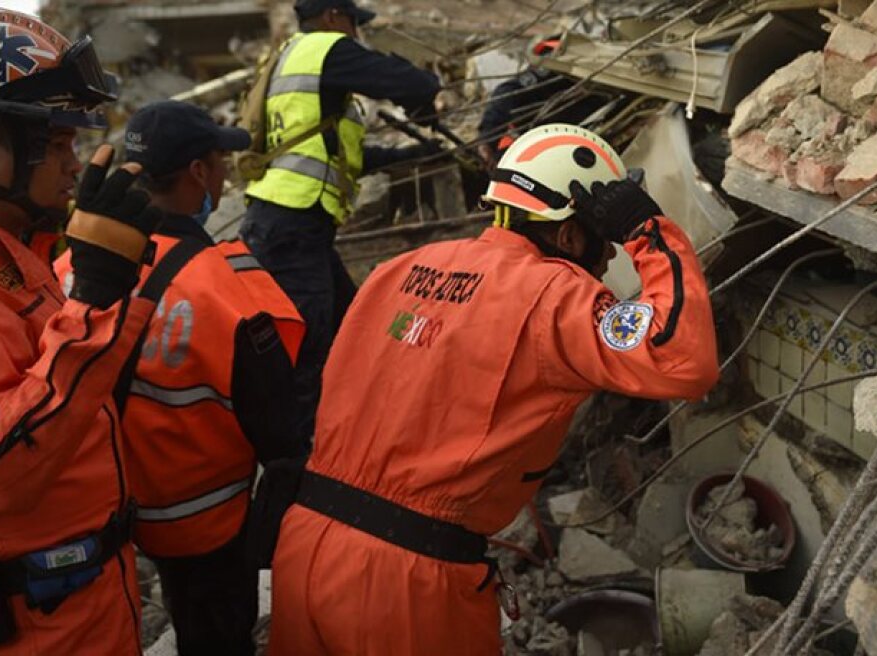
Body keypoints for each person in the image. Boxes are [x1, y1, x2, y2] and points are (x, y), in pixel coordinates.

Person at [268, 123, 721, 654]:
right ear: (571, 236)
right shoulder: (552, 294)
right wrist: (648, 230)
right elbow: (682, 361)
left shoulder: (399, 270)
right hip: (405, 583)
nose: (608, 262)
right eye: (605, 244)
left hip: (302, 546)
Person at [0, 10, 161, 654]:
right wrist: (92, 303)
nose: (73, 163)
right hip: (36, 630)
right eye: (57, 145)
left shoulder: (2, 247)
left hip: (73, 605)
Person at [53, 101, 309, 655]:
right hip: (203, 529)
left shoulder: (73, 266)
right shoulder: (229, 285)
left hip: (101, 516)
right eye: (220, 162)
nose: (223, 175)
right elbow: (282, 435)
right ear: (199, 173)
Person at [239, 0, 443, 441]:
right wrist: (427, 91)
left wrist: (411, 156)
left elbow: (338, 154)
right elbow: (403, 81)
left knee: (350, 327)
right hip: (291, 226)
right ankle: (300, 463)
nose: (356, 33)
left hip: (287, 224)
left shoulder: (293, 59)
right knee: (307, 351)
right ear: (333, 15)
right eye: (354, 23)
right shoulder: (325, 50)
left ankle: (350, 433)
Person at [476, 38, 609, 169]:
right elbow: (509, 93)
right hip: (541, 145)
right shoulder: (554, 64)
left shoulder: (598, 64)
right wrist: (487, 140)